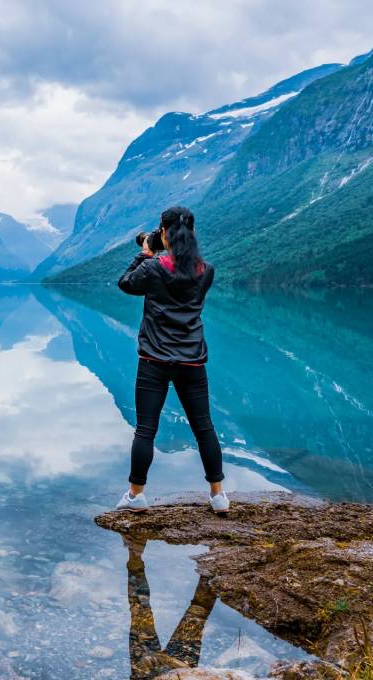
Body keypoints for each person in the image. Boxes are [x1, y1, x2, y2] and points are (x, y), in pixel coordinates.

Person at [114, 205, 228, 514]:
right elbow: (183, 272)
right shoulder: (207, 271)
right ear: (192, 233)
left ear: (164, 233)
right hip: (192, 360)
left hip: (154, 360)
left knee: (146, 428)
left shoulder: (153, 269)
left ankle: (136, 496)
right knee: (204, 427)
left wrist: (145, 252)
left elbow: (126, 283)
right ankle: (218, 495)